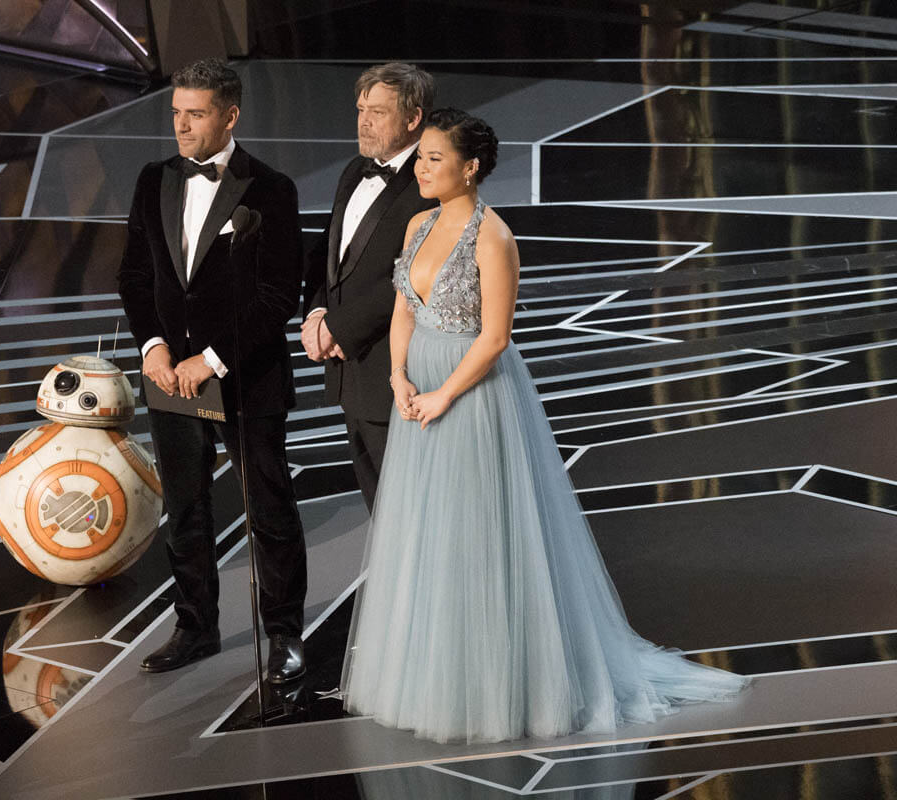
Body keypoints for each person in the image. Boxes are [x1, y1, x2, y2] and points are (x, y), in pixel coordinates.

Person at [339, 108, 749, 743]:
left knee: (481, 537)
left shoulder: (493, 237)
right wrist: (398, 377)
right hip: (417, 392)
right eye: (420, 157)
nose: (420, 168)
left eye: (434, 159)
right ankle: (436, 676)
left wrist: (443, 396)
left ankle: (502, 687)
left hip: (473, 399)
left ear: (470, 168)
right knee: (429, 538)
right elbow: (403, 311)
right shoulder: (418, 224)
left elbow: (495, 338)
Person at [118, 59, 307, 683]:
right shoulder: (153, 179)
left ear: (230, 116)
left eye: (195, 114)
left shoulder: (270, 188)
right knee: (185, 508)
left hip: (245, 374)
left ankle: (284, 636)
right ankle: (195, 627)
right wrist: (153, 347)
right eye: (176, 113)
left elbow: (278, 296)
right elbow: (135, 274)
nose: (181, 125)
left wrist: (213, 358)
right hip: (169, 375)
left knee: (268, 511)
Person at [301, 63, 437, 512]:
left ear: (413, 118)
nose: (364, 121)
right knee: (379, 507)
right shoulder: (352, 171)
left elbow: (412, 277)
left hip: (398, 375)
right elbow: (330, 253)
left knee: (410, 509)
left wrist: (340, 327)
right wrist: (316, 313)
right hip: (350, 374)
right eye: (361, 110)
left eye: (377, 112)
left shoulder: (430, 181)